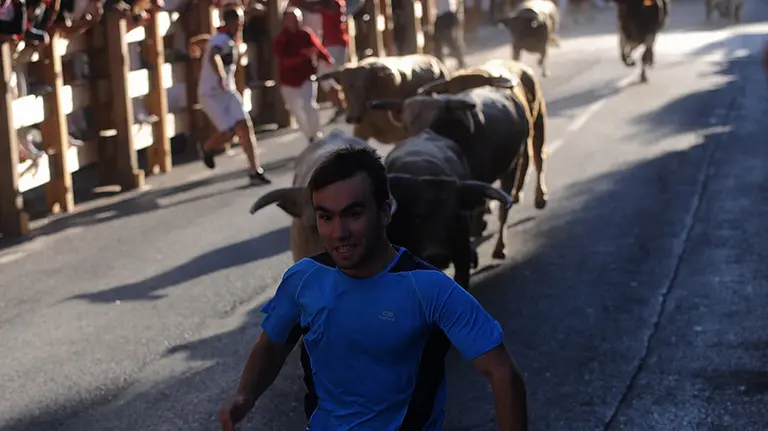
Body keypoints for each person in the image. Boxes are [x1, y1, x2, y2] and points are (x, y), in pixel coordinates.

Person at [219, 146, 529, 431]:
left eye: (353, 214)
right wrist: (245, 395)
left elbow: (502, 373)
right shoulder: (303, 279)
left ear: (385, 212)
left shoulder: (430, 288)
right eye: (326, 217)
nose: (338, 232)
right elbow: (272, 345)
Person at [197, 6, 271, 186]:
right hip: (211, 94)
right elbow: (214, 54)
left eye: (240, 23)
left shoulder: (229, 39)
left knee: (245, 127)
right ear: (228, 22)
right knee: (228, 133)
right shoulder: (221, 39)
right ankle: (207, 148)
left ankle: (255, 170)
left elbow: (209, 42)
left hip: (228, 92)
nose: (239, 26)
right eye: (236, 22)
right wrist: (221, 74)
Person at [274, 6, 333, 143]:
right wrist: (302, 56)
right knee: (296, 111)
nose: (294, 22)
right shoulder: (281, 39)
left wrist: (327, 58)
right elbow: (283, 61)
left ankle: (315, 134)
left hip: (306, 77)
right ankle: (309, 136)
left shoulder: (305, 34)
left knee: (310, 105)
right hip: (288, 81)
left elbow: (317, 48)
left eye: (296, 18)